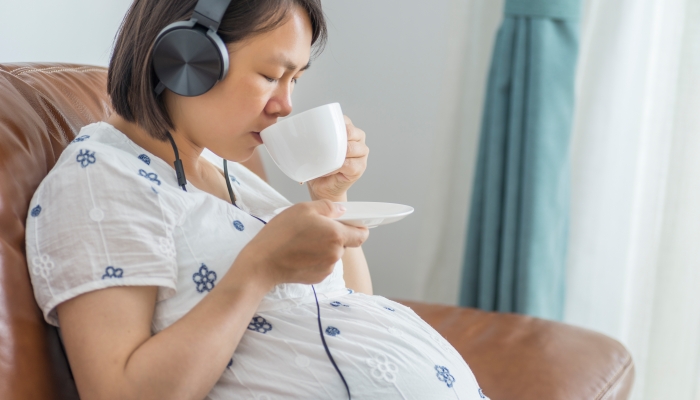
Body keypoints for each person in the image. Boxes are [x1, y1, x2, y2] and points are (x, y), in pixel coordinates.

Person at [25, 0, 488, 398]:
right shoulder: (99, 181)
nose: (285, 105)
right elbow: (118, 393)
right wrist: (256, 271)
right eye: (270, 75)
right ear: (185, 59)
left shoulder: (227, 173)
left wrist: (331, 197)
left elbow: (347, 307)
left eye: (295, 79)